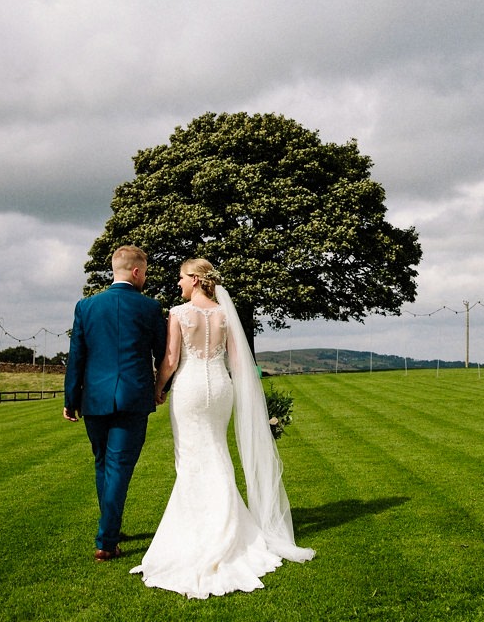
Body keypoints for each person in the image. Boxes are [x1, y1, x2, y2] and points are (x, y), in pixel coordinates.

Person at [132, 258, 314, 597]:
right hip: (220, 389)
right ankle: (227, 528)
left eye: (182, 278)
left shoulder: (178, 313)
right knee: (217, 451)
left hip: (189, 390)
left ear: (198, 280)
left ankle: (201, 533)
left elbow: (170, 360)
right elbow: (238, 361)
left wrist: (158, 387)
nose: (178, 284)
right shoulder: (225, 314)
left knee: (190, 459)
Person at [64, 245, 166, 562]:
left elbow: (76, 357)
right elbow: (163, 354)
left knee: (103, 464)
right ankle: (107, 540)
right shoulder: (151, 308)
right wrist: (162, 388)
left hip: (93, 398)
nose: (145, 277)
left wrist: (71, 399)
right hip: (134, 398)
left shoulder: (86, 307)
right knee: (119, 467)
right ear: (136, 271)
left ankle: (111, 526)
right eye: (145, 272)